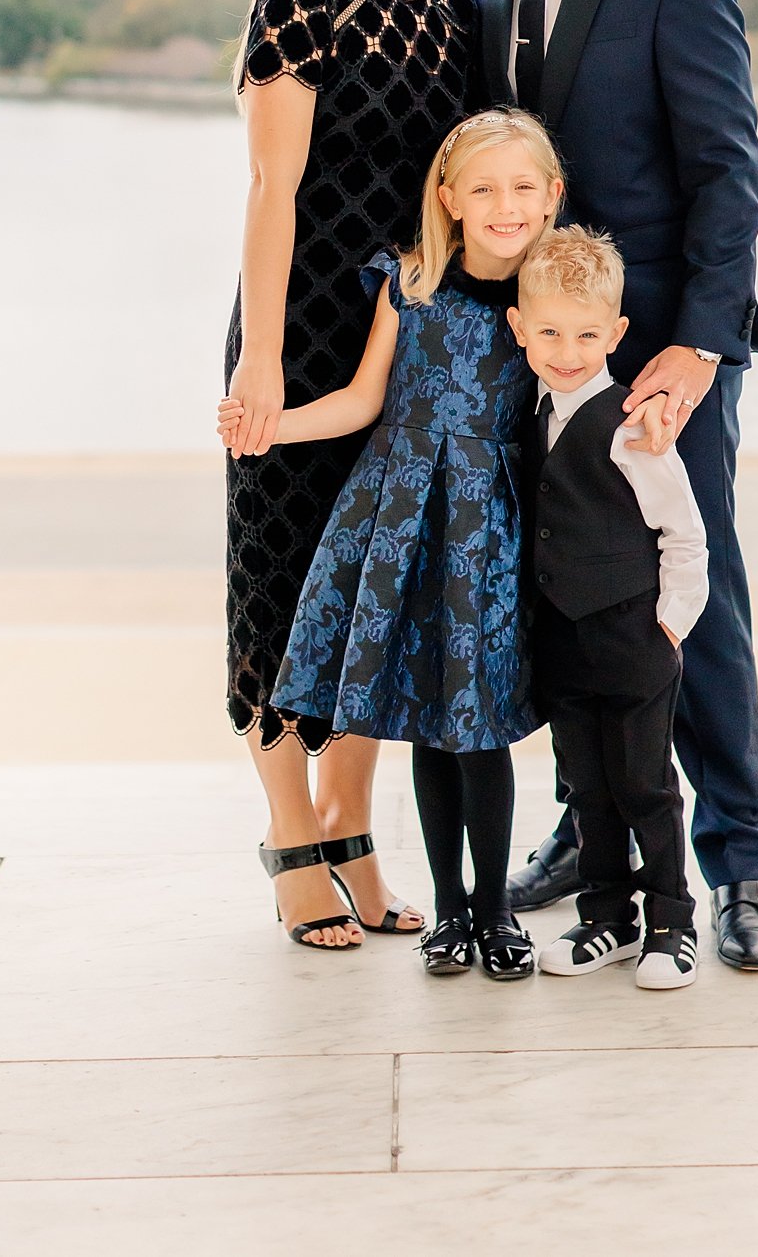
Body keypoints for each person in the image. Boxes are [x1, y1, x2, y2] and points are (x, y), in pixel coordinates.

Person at [453, 0, 758, 973]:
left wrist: (701, 344)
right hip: (532, 360)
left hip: (661, 364)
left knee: (695, 600)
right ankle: (586, 836)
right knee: (565, 591)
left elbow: (727, 172)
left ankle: (740, 864)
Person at [223, 0, 477, 951]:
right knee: (283, 577)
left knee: (378, 584)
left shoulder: (458, 19)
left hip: (403, 339)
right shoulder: (304, 1)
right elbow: (272, 192)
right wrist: (264, 365)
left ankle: (352, 826)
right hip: (300, 331)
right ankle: (291, 838)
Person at [224, 109, 558, 978]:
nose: (504, 205)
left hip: (486, 534)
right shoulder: (407, 285)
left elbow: (579, 401)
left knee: (479, 726)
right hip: (401, 521)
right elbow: (363, 400)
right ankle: (452, 913)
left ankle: (496, 914)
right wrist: (275, 426)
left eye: (523, 187)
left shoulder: (547, 301)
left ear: (552, 196)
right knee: (428, 727)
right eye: (482, 188)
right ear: (446, 200)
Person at [510, 228, 709, 992]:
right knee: (585, 785)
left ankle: (670, 921)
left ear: (617, 334)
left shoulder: (636, 427)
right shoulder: (527, 415)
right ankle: (606, 918)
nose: (568, 350)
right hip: (562, 639)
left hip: (634, 638)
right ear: (520, 328)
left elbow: (683, 533)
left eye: (588, 334)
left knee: (645, 784)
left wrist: (669, 626)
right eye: (551, 331)